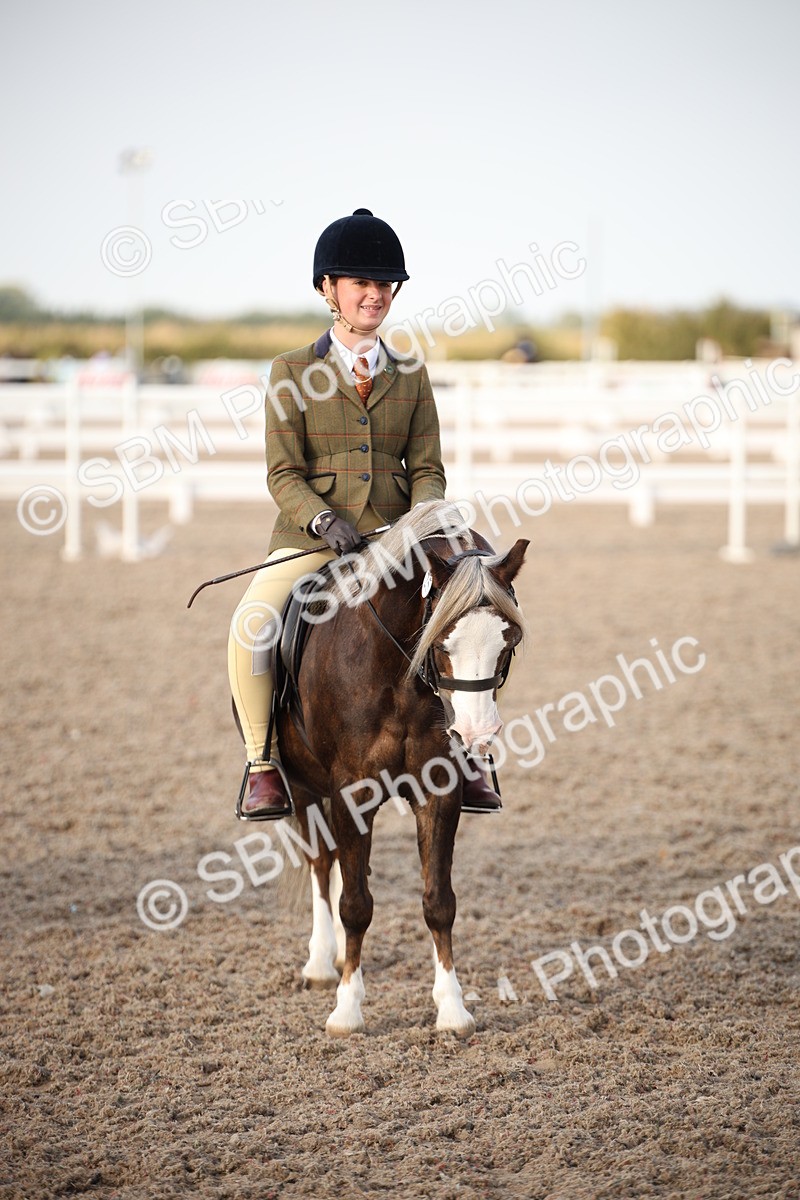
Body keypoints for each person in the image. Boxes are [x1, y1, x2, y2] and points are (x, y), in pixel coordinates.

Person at [227, 207, 502, 817]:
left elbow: (427, 466)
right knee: (250, 625)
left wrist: (422, 523)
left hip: (400, 541)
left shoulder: (411, 374)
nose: (374, 295)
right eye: (360, 283)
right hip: (315, 538)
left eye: (383, 285)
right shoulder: (291, 371)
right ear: (328, 289)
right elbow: (283, 473)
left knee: (474, 618)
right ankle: (262, 762)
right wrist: (324, 521)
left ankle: (471, 752)